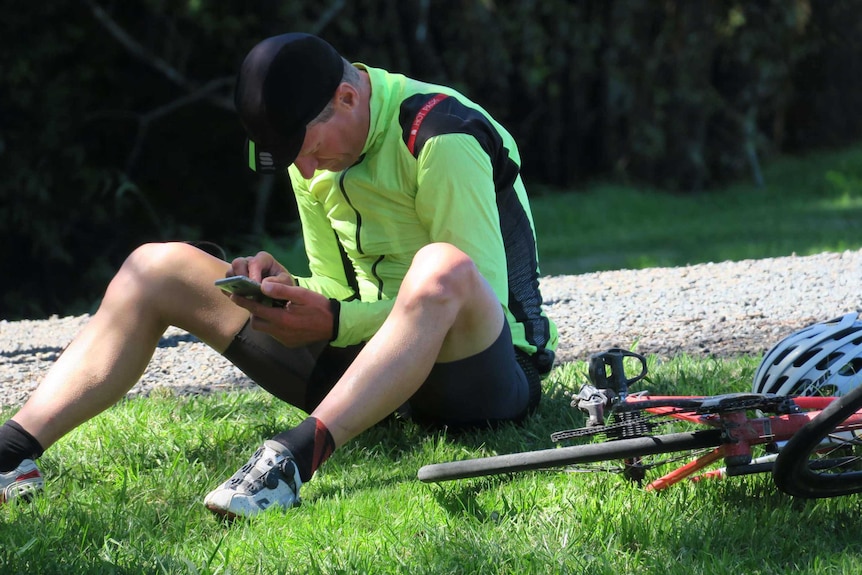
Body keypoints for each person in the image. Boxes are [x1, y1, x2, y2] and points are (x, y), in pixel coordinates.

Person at [0, 32, 558, 517]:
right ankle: (11, 450)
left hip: (485, 375)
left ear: (347, 97)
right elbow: (338, 290)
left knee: (441, 267)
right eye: (292, 157)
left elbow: (470, 295)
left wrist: (336, 320)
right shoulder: (309, 155)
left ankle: (293, 458)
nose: (306, 170)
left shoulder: (441, 135)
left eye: (309, 149)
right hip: (374, 373)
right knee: (155, 266)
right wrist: (285, 294)